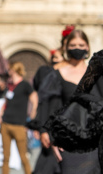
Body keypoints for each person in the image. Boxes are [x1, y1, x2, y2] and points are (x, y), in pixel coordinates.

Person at [40, 30, 100, 173]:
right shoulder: (56, 76)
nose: (77, 48)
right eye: (73, 45)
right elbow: (50, 107)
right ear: (66, 47)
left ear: (87, 47)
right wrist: (49, 134)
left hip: (94, 140)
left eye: (81, 44)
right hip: (68, 141)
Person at [0, 62, 38, 174]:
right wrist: (0, 115)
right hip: (6, 123)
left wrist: (31, 119)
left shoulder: (25, 85)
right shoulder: (9, 86)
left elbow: (34, 100)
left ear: (15, 70)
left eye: (10, 69)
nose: (8, 71)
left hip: (19, 125)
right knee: (5, 156)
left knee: (23, 156)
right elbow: (5, 103)